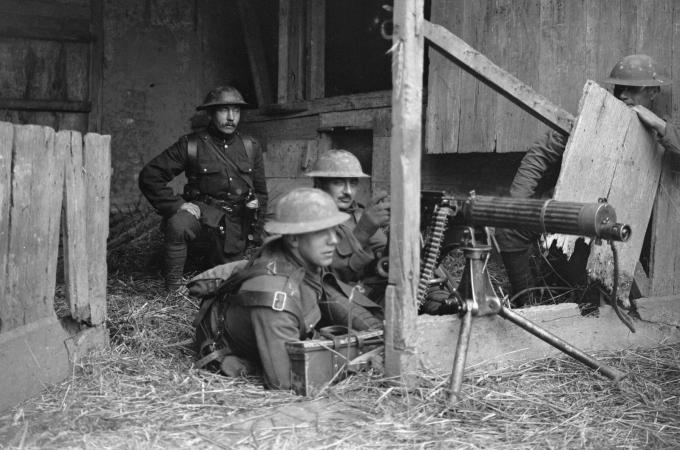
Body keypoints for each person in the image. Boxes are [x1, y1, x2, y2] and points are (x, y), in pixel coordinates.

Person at [497, 54, 680, 306]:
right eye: (619, 88)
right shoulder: (594, 117)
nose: (623, 95)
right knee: (509, 230)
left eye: (632, 89)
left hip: (626, 228)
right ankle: (528, 303)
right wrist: (517, 203)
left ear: (652, 92)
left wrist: (657, 124)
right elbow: (541, 153)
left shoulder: (663, 130)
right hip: (579, 211)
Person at [193, 187, 384, 390]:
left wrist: (378, 333)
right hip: (238, 345)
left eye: (334, 230)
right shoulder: (274, 296)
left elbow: (330, 295)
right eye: (321, 232)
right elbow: (286, 382)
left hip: (284, 326)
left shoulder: (301, 259)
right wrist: (361, 362)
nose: (334, 240)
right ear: (293, 238)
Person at [138, 86, 268, 291]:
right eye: (224, 110)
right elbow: (150, 176)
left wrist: (256, 234)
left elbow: (261, 193)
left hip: (234, 226)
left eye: (236, 110)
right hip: (203, 219)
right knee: (178, 224)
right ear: (210, 113)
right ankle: (173, 290)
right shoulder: (191, 145)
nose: (231, 117)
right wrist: (177, 205)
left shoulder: (250, 146)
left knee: (231, 282)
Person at [305, 149, 390, 303]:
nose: (348, 191)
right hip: (330, 301)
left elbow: (384, 260)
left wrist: (397, 235)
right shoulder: (304, 218)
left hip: (365, 295)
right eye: (338, 182)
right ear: (319, 183)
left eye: (353, 182)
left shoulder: (358, 214)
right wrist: (363, 231)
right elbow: (324, 277)